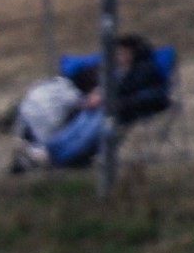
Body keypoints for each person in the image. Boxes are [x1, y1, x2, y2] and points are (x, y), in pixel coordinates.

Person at [35, 35, 170, 169]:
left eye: (122, 53)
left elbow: (130, 90)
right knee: (82, 119)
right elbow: (107, 86)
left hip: (125, 108)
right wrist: (95, 95)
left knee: (94, 124)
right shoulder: (118, 70)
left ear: (133, 53)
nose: (118, 57)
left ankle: (63, 157)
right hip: (105, 105)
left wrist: (104, 98)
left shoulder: (143, 70)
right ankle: (49, 150)